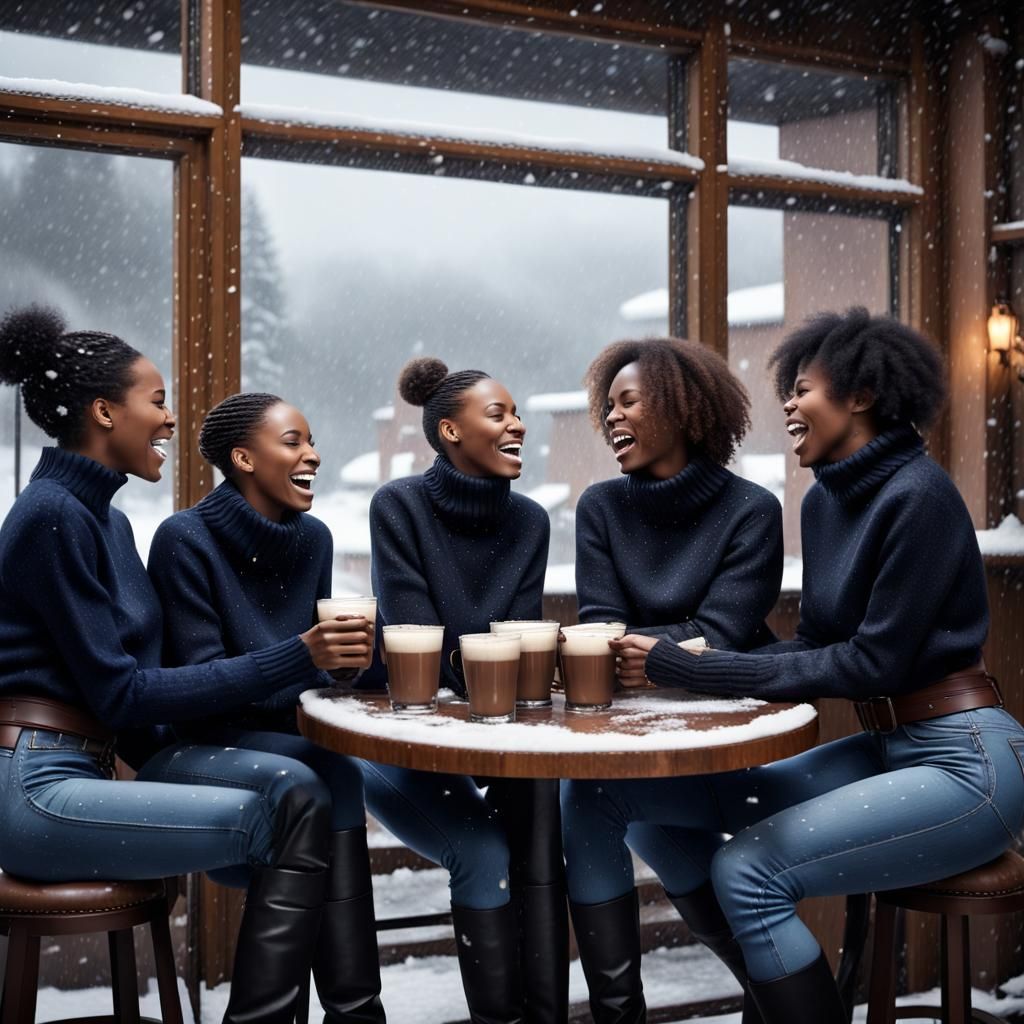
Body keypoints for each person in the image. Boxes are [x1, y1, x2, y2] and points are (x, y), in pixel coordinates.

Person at [562, 308, 1024, 1024]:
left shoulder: (920, 496)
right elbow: (812, 642)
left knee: (746, 871)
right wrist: (697, 661)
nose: (787, 405)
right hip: (887, 750)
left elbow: (872, 661)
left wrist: (694, 670)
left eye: (802, 388)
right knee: (613, 800)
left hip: (970, 766)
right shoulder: (826, 502)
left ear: (861, 396)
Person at [0, 306, 367, 1024]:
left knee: (314, 784)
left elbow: (136, 694)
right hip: (37, 789)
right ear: (105, 412)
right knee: (297, 802)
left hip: (92, 768)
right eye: (157, 401)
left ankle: (354, 1015)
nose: (170, 422)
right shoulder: (52, 515)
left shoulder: (106, 519)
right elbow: (122, 692)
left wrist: (203, 756)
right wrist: (292, 658)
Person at [146, 392, 385, 1023]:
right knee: (322, 774)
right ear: (244, 457)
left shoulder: (315, 539)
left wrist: (348, 664)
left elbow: (313, 672)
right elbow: (196, 688)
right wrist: (303, 655)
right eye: (294, 442)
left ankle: (348, 1013)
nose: (313, 454)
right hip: (203, 745)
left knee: (334, 770)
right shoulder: (183, 539)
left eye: (310, 441)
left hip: (294, 745)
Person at [570, 337, 782, 1023]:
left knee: (723, 869)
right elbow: (602, 627)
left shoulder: (753, 509)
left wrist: (658, 648)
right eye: (608, 406)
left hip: (738, 738)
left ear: (683, 408)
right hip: (639, 737)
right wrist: (676, 644)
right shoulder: (600, 506)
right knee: (590, 796)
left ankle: (779, 997)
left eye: (628, 401)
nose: (612, 418)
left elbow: (722, 633)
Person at [363, 357, 558, 1023]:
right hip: (407, 737)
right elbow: (417, 634)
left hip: (496, 726)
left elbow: (518, 633)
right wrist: (488, 668)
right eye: (499, 414)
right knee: (490, 850)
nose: (519, 426)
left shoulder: (530, 520)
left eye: (517, 413)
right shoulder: (398, 506)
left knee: (537, 829)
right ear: (449, 430)